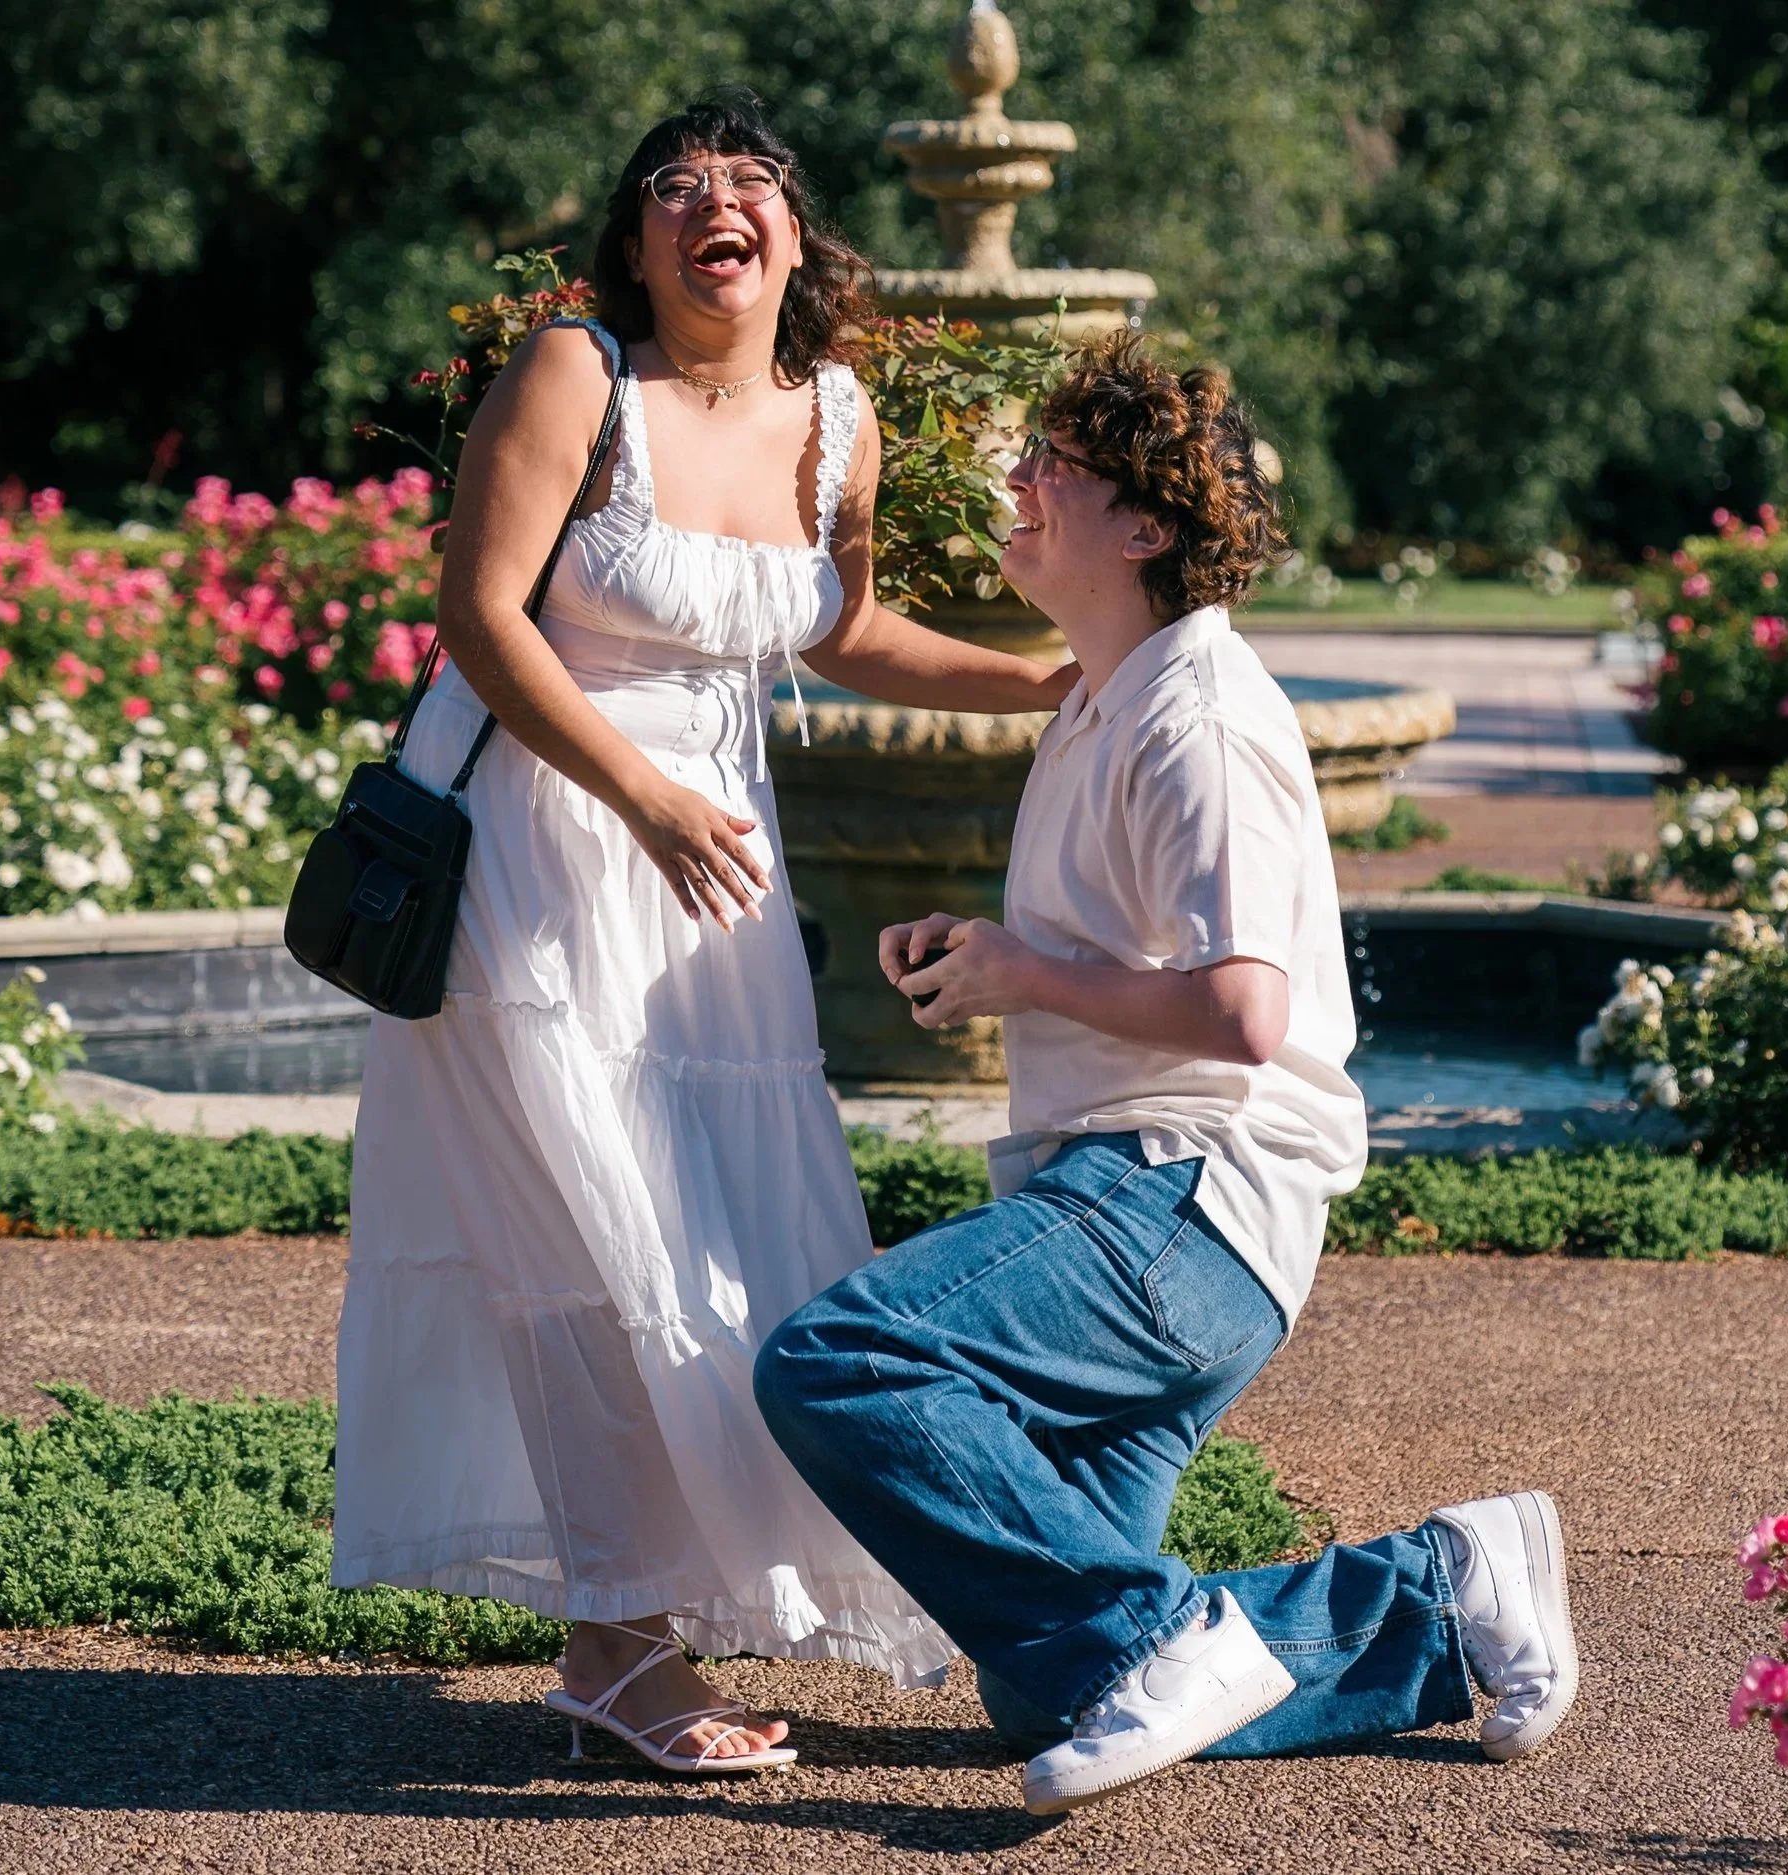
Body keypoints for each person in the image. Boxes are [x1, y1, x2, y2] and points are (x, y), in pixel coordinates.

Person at [329, 92, 1074, 1775]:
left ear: (797, 239)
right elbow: (479, 615)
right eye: (676, 186)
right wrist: (644, 801)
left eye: (750, 184)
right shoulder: (575, 376)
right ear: (640, 240)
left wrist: (1043, 682)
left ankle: (646, 1624)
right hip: (540, 869)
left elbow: (852, 623)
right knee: (592, 1260)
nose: (712, 205)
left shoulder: (841, 414)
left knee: (721, 1249)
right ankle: (621, 1649)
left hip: (713, 911)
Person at [753, 337, 1578, 1813]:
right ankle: (1449, 1593)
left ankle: (1166, 1633)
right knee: (1046, 1679)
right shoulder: (1102, 697)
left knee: (844, 1362)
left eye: (1053, 463)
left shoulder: (1194, 706)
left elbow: (1247, 1010)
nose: (1017, 479)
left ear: (1147, 523)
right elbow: (1137, 955)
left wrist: (1018, 975)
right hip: (1158, 1213)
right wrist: (990, 954)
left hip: (1183, 1197)